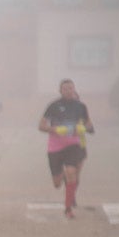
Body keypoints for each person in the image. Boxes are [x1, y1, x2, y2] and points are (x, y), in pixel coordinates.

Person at [39, 78, 94, 218]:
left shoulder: (81, 106)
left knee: (71, 171)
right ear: (60, 91)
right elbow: (41, 126)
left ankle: (68, 208)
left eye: (71, 88)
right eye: (65, 89)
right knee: (57, 183)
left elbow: (89, 124)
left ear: (74, 89)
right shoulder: (53, 106)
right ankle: (63, 176)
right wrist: (55, 129)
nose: (68, 91)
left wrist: (83, 128)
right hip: (55, 147)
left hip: (73, 145)